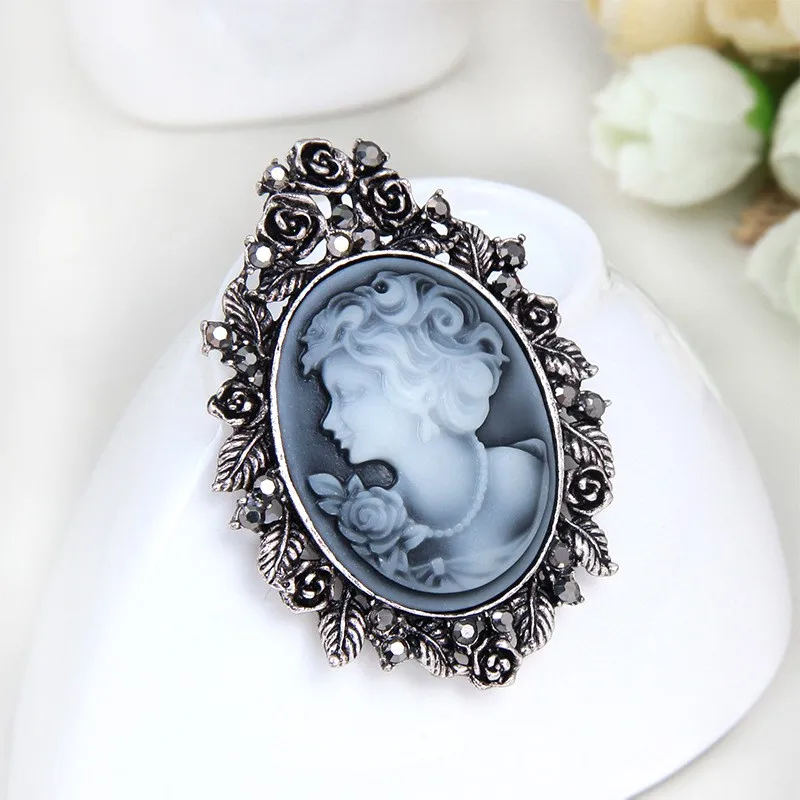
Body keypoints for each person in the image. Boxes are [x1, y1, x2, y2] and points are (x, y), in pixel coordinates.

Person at [301, 270, 549, 593]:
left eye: (348, 394)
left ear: (417, 387)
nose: (327, 422)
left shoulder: (523, 478)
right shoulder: (376, 529)